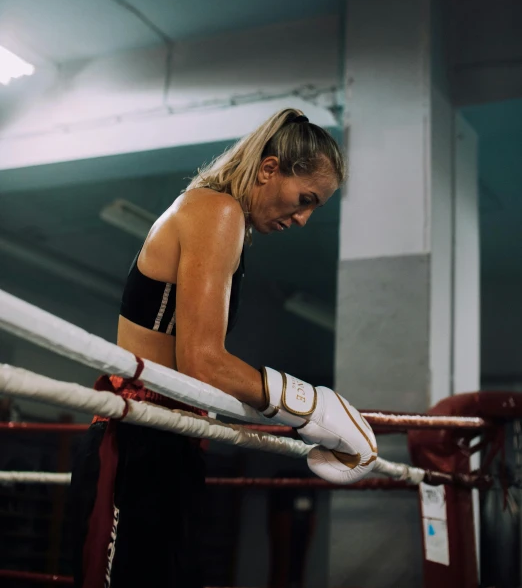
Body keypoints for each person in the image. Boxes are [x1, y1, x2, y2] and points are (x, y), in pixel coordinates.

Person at [70, 108, 377, 588]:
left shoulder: (220, 217)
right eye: (305, 199)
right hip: (138, 435)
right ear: (269, 169)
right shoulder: (216, 210)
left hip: (167, 435)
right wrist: (314, 407)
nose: (302, 219)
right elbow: (202, 363)